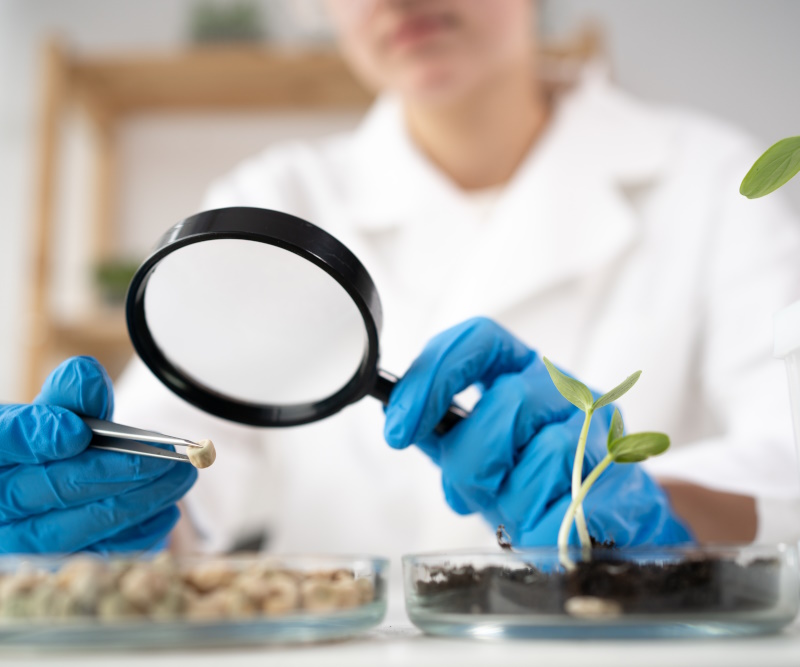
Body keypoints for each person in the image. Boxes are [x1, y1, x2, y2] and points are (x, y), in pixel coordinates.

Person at [2, 0, 800, 558]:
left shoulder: (716, 178)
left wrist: (658, 509)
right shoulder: (278, 197)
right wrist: (86, 504)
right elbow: (182, 459)